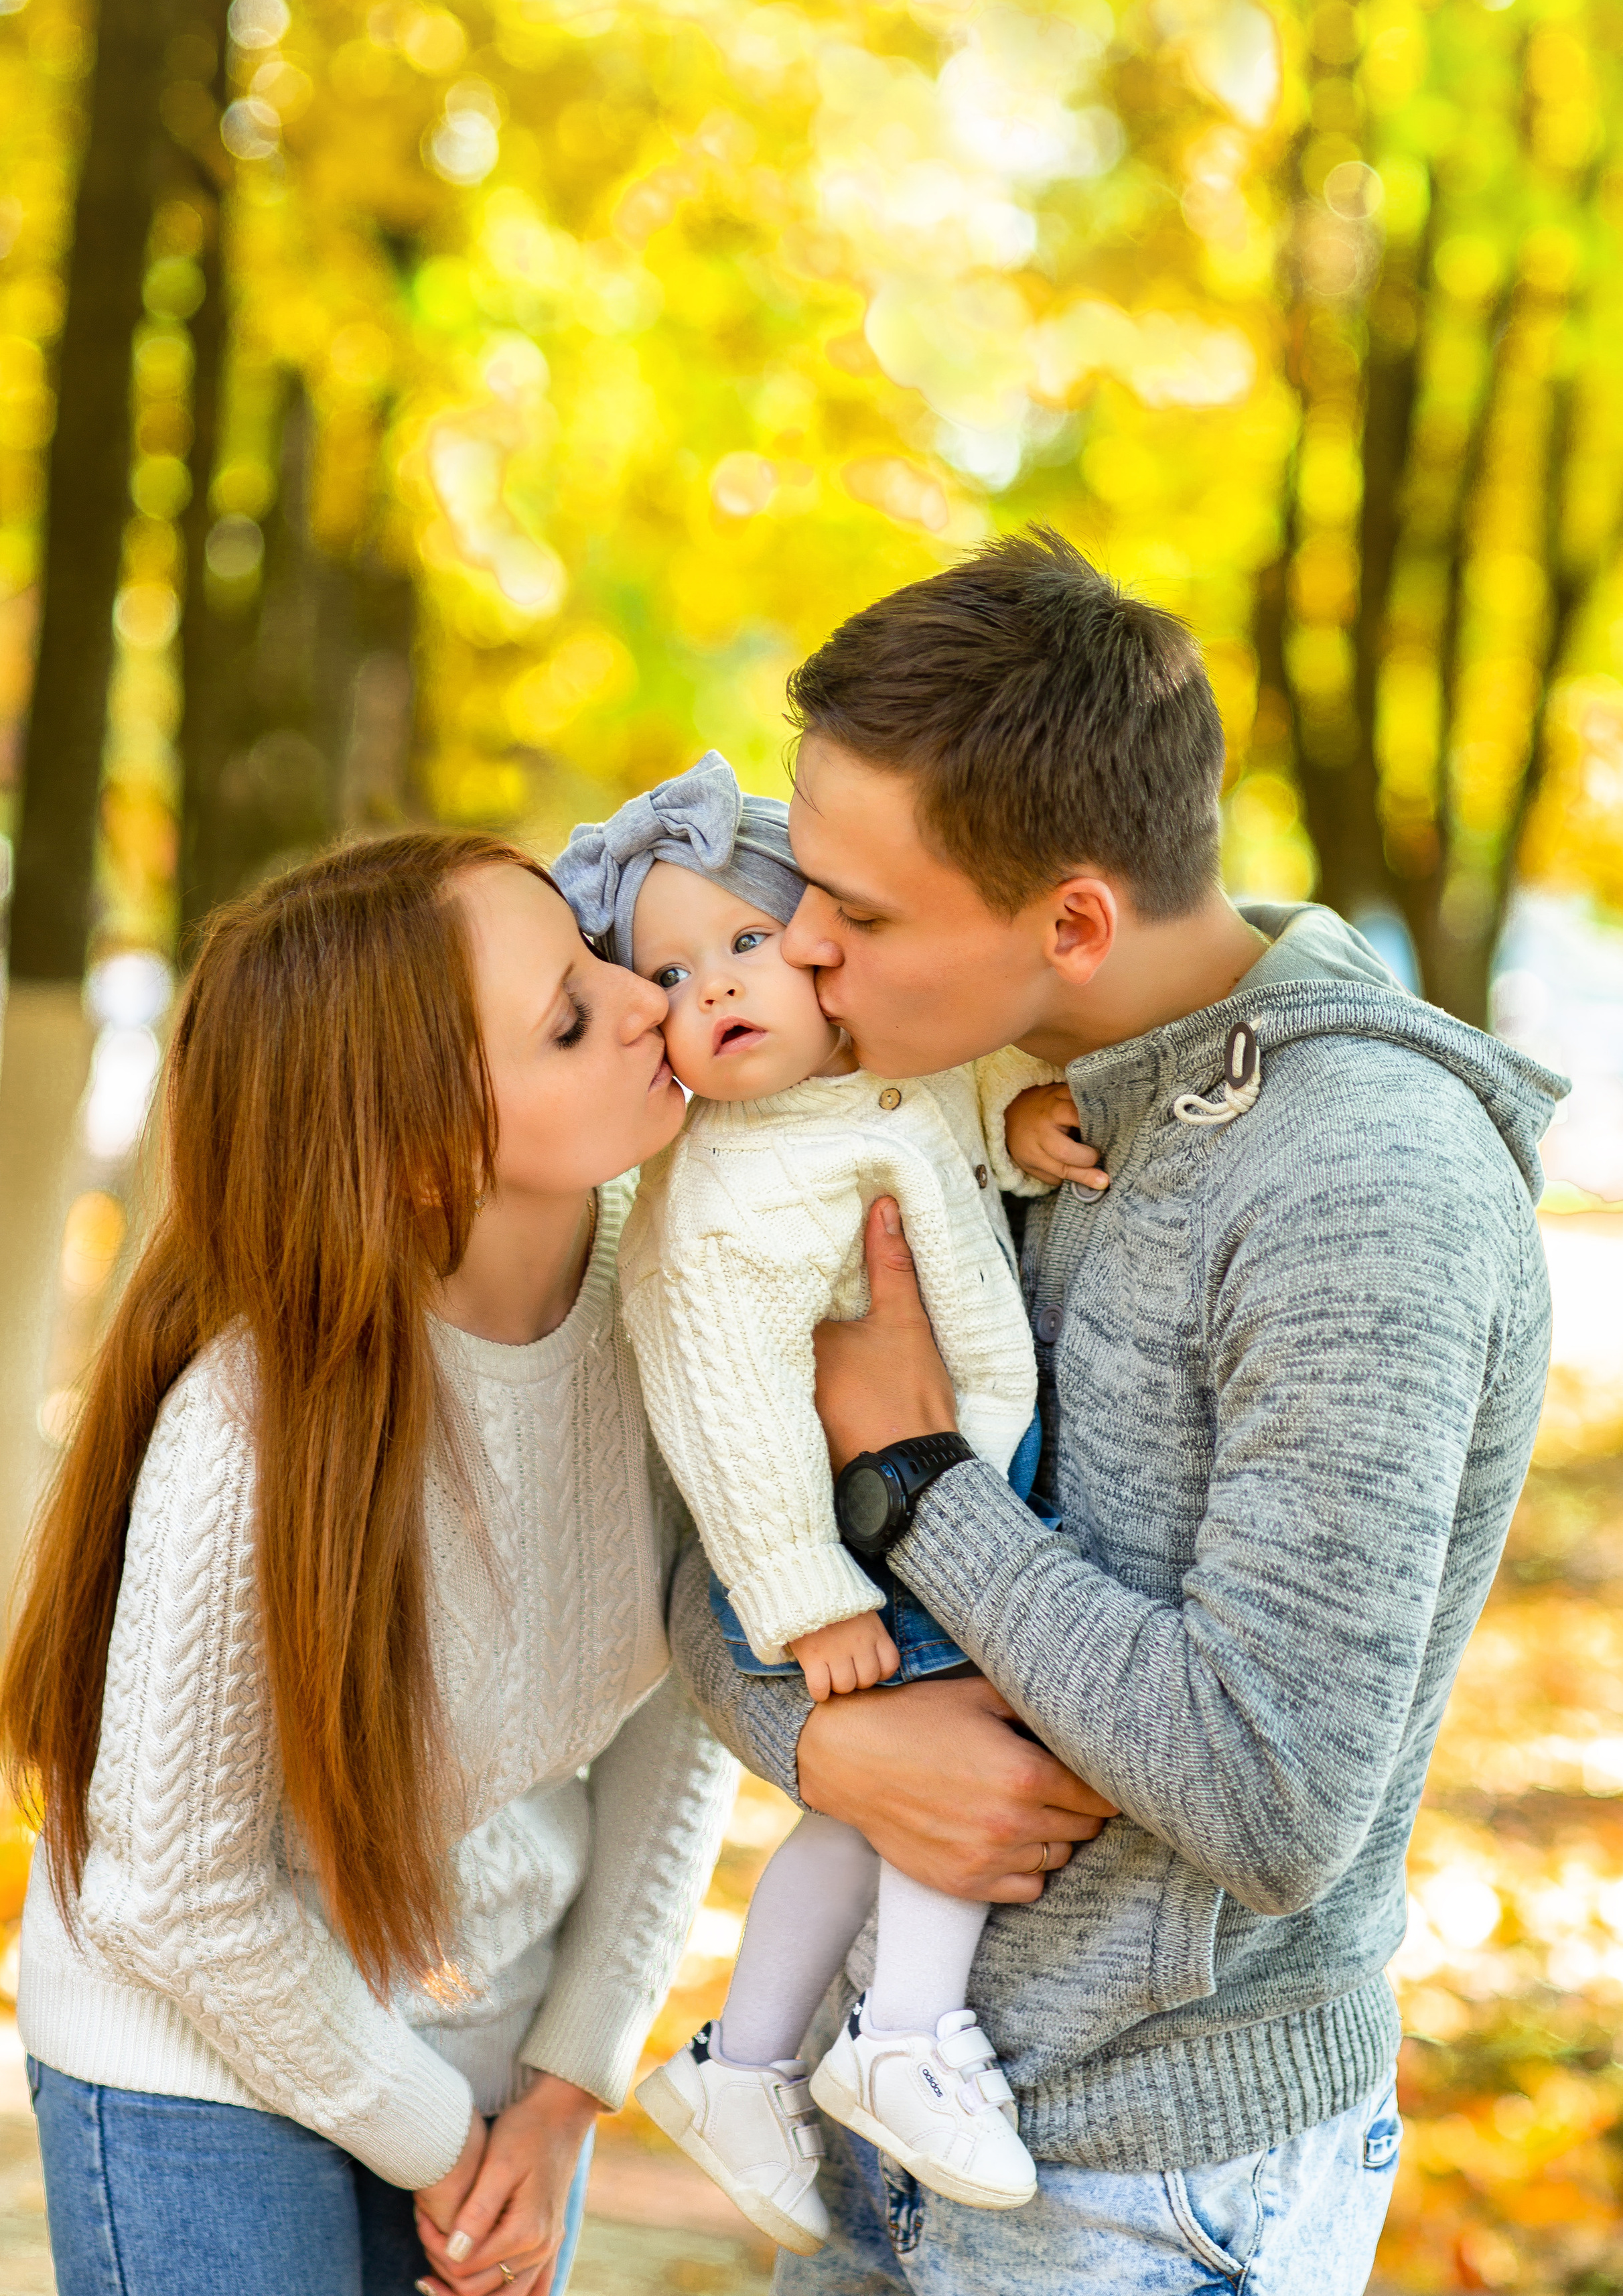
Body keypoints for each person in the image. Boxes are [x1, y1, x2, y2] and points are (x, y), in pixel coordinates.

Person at [668, 528, 1567, 2295]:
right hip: (878, 2113)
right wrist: (830, 1746)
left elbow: (1271, 1789)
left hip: (1147, 2192)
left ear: (1073, 920)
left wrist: (920, 1481)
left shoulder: (1362, 1188)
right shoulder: (942, 1113)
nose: (805, 960)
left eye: (856, 915)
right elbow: (704, 1553)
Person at [0, 833, 737, 2296]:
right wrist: (432, 2141)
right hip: (194, 2048)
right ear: (417, 1154)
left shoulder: (682, 1306)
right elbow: (175, 1898)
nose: (645, 996)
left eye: (594, 955)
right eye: (570, 1017)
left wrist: (563, 2092)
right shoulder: (253, 1424)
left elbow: (689, 1706)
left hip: (489, 2039)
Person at [551, 754, 1093, 2250]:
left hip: (938, 1489)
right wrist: (805, 1595)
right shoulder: (721, 1199)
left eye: (743, 942)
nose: (711, 985)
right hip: (837, 1539)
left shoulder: (866, 1084)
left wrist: (1021, 1120)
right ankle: (903, 2036)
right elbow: (725, 1417)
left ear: (817, 950)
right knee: (949, 1764)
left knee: (860, 1819)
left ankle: (743, 2061)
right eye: (661, 972)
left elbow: (935, 1121)